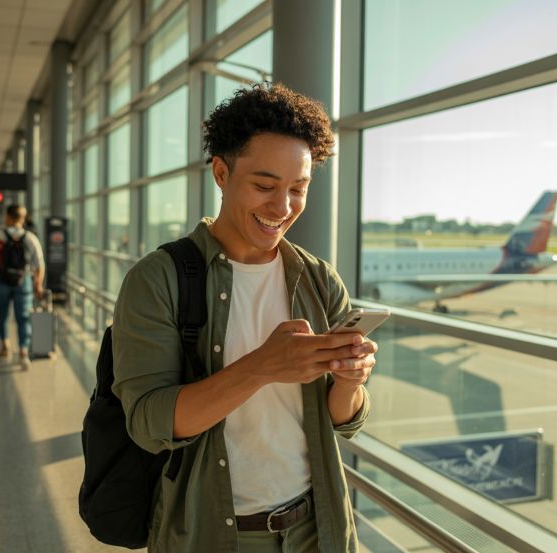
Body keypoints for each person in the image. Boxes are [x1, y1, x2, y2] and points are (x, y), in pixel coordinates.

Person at [112, 83, 378, 553]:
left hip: (318, 529)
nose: (283, 208)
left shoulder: (317, 279)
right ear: (221, 172)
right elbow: (147, 423)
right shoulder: (158, 280)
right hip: (212, 535)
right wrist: (261, 367)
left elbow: (343, 423)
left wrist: (350, 381)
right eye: (264, 186)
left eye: (298, 189)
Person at [0, 205, 45, 368]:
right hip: (23, 281)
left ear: (7, 217)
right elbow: (39, 264)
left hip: (1, 280)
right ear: (22, 219)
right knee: (23, 318)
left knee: (2, 316)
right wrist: (38, 284)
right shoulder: (30, 238)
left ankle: (5, 347)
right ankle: (23, 352)